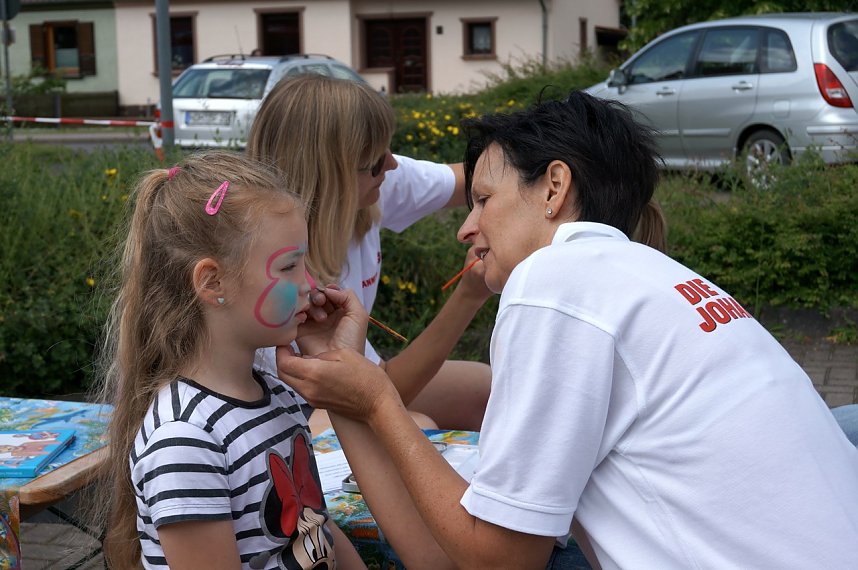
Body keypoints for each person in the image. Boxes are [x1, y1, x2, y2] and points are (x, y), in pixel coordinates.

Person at [276, 91, 858, 569]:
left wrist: (377, 402)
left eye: (482, 200)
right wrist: (350, 392)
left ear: (554, 187)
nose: (466, 228)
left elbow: (494, 563)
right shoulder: (657, 276)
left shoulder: (555, 279)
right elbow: (446, 558)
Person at [90, 151, 367, 569]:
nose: (311, 284)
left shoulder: (277, 395)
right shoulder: (185, 441)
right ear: (213, 282)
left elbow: (317, 530)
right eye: (290, 266)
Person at [246, 73, 492, 432]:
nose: (392, 165)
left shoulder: (370, 185)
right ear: (331, 176)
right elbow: (379, 392)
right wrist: (468, 297)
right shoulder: (279, 274)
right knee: (416, 426)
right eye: (376, 161)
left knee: (482, 389)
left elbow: (470, 180)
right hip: (281, 415)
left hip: (348, 384)